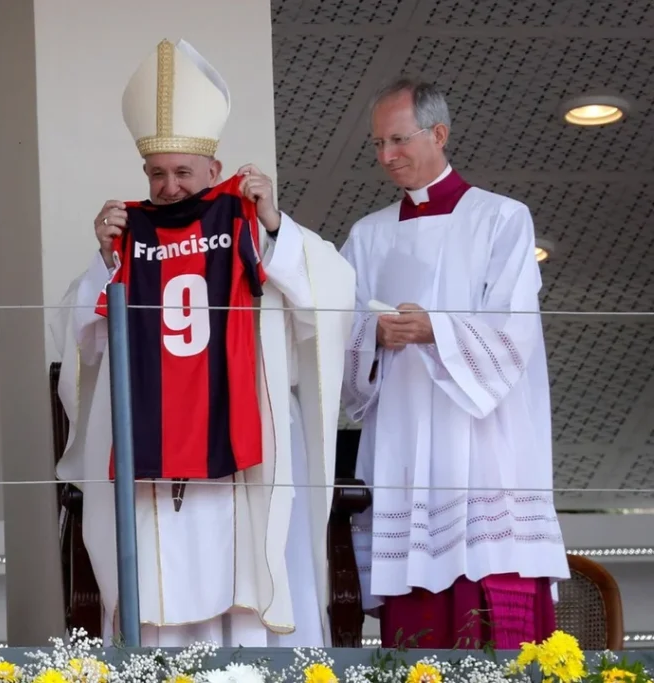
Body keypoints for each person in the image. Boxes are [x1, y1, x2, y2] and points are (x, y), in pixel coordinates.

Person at [50, 38, 356, 648]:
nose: (168, 187)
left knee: (241, 598)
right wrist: (105, 260)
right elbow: (74, 335)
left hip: (239, 444)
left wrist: (273, 227)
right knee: (158, 602)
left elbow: (332, 293)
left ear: (215, 172)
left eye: (182, 173)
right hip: (154, 455)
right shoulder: (125, 239)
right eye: (156, 174)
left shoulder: (251, 222)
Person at [340, 76, 569, 649]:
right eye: (377, 145)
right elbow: (331, 326)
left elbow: (514, 332)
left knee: (494, 618)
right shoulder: (366, 236)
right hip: (404, 451)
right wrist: (371, 334)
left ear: (438, 134)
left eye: (398, 141)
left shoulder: (501, 219)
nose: (386, 156)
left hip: (486, 451)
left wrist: (435, 329)